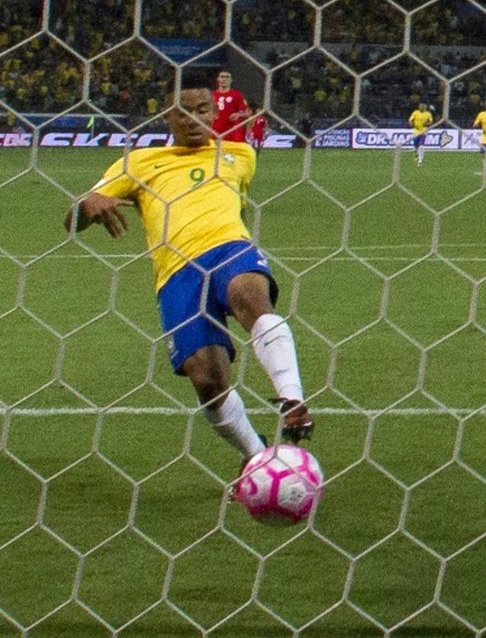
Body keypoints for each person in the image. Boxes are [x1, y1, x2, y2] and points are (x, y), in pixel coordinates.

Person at [64, 75, 314, 469]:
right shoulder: (140, 162)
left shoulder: (238, 155)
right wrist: (86, 205)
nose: (195, 119)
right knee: (208, 381)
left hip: (229, 246)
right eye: (184, 111)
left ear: (215, 113)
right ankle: (257, 458)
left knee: (249, 295)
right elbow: (74, 219)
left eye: (203, 110)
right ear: (167, 116)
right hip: (176, 274)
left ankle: (293, 399)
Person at [212, 70, 250, 142]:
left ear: (231, 80)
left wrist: (238, 114)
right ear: (218, 79)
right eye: (222, 77)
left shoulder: (236, 95)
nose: (224, 79)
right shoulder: (211, 95)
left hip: (231, 133)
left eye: (227, 77)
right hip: (214, 132)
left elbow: (247, 113)